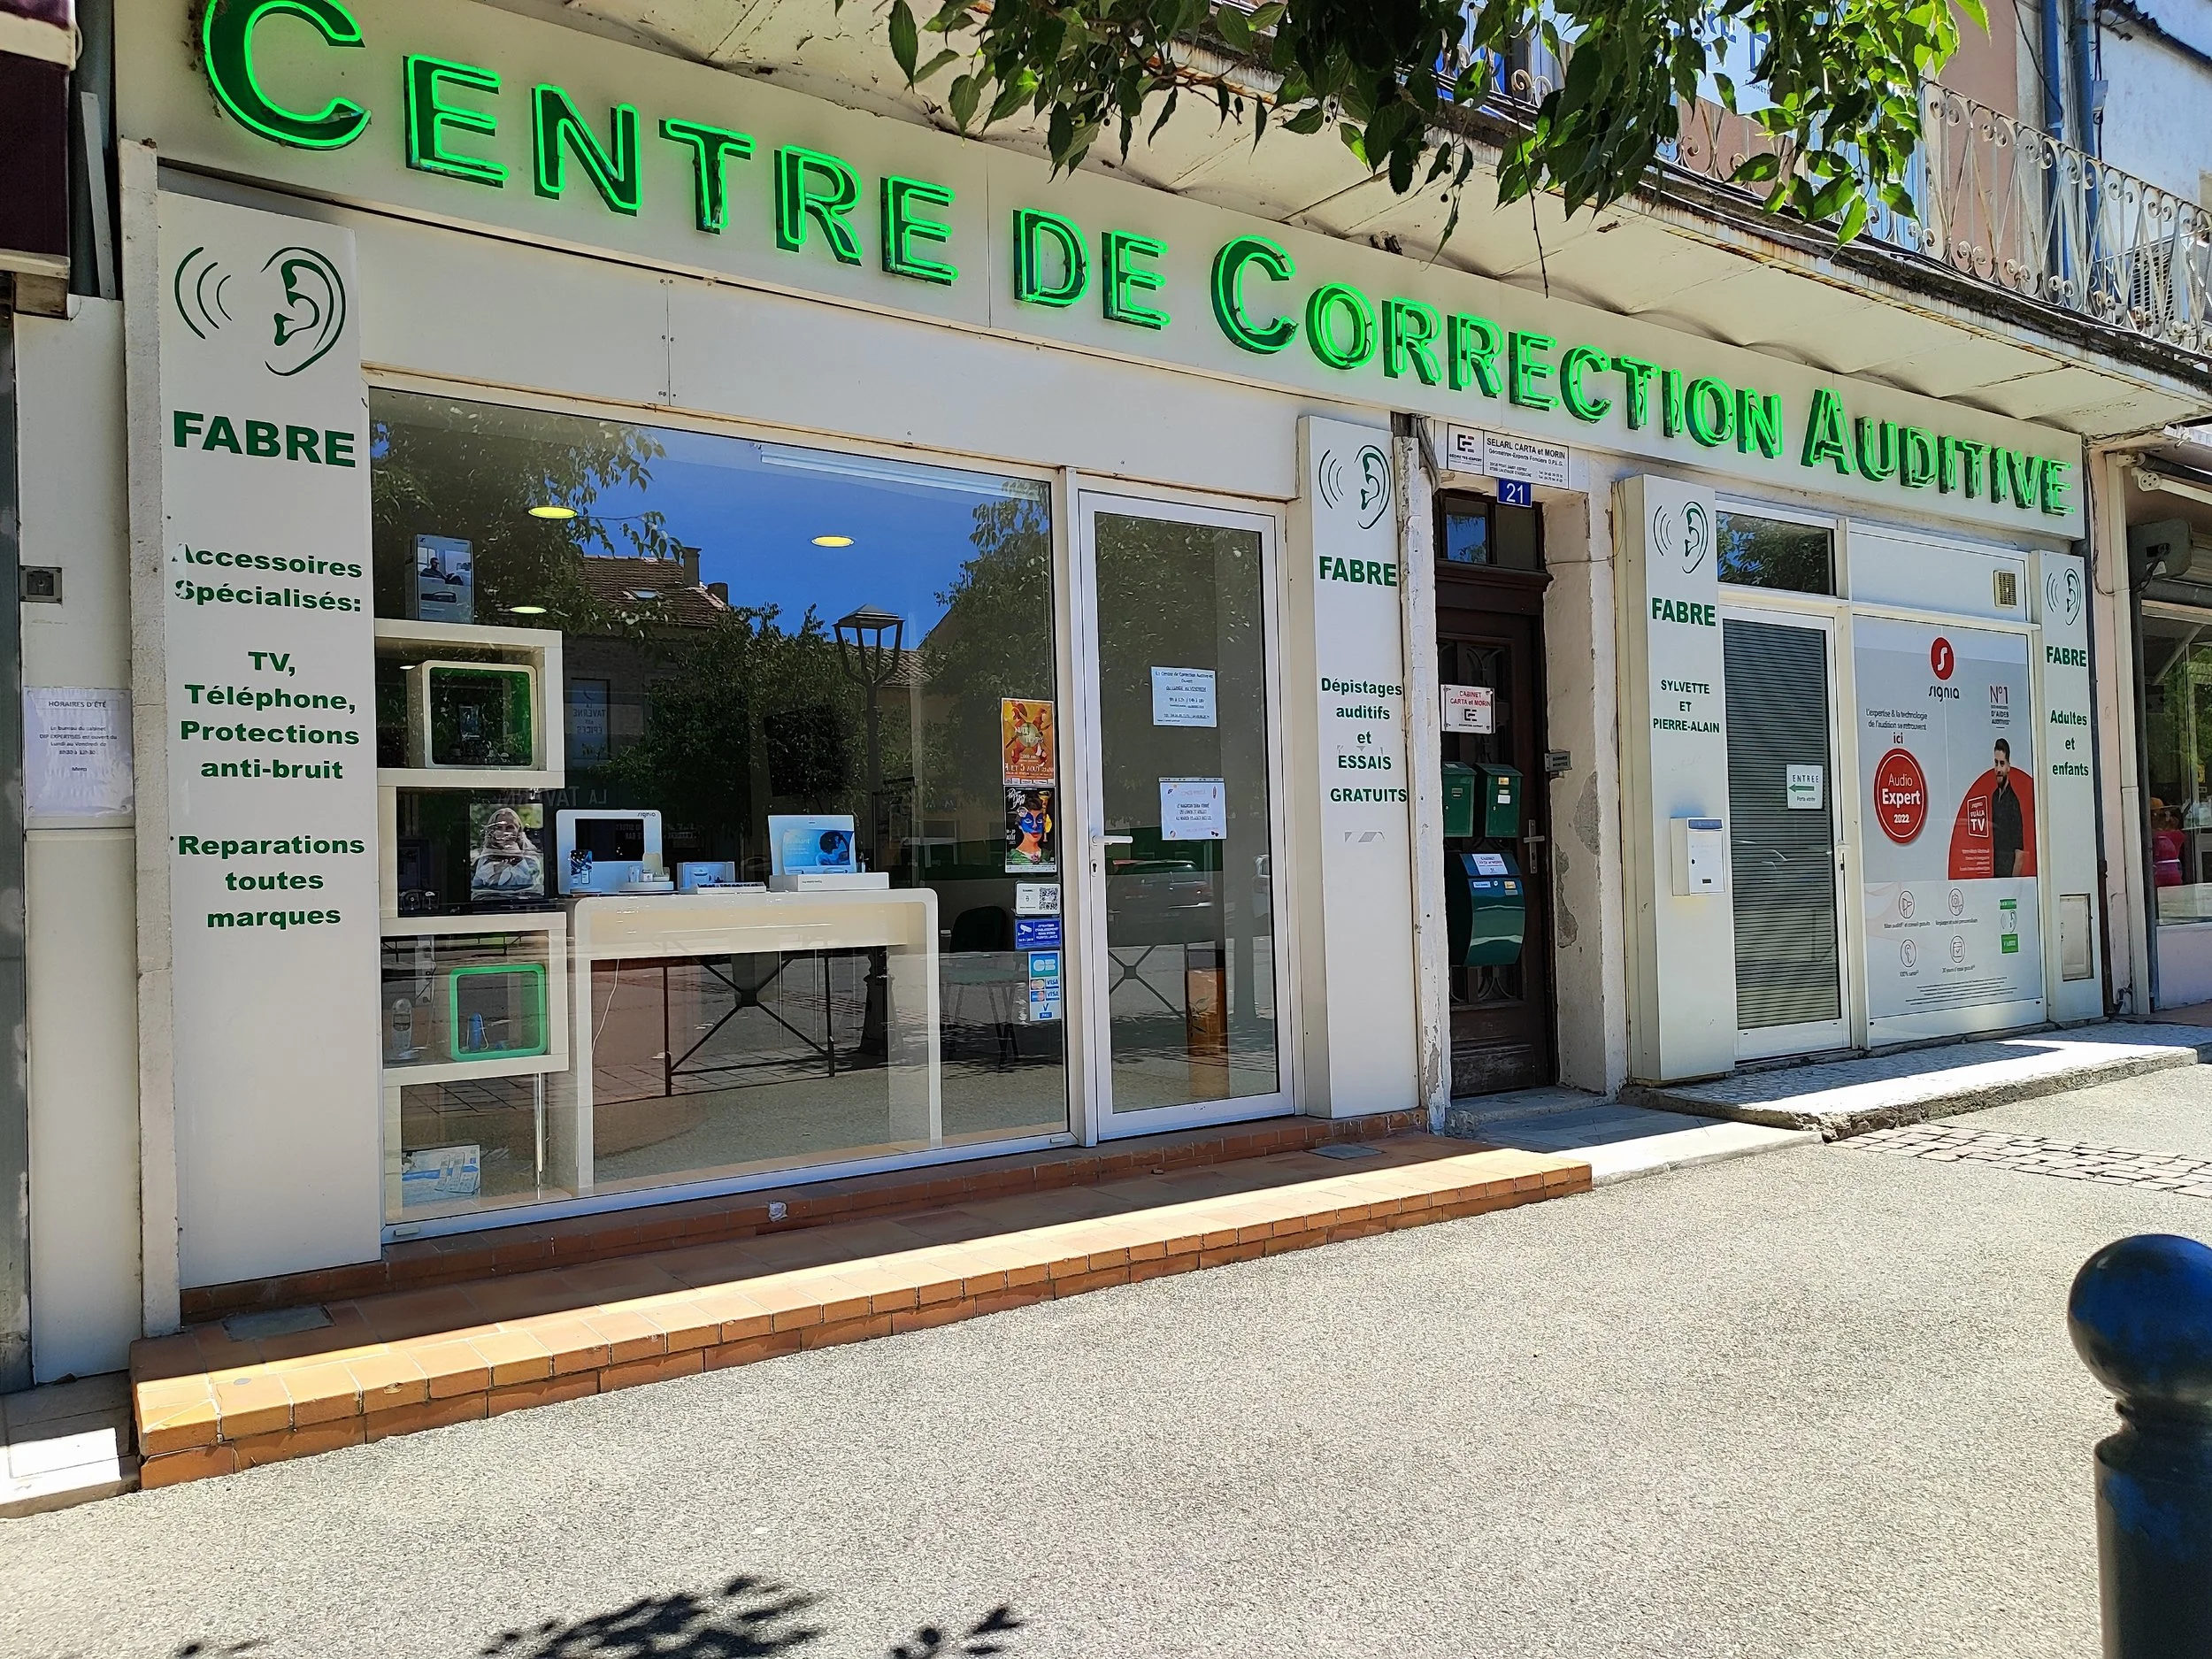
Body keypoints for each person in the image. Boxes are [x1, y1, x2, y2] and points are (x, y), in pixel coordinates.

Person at [470, 805, 545, 902]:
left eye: (510, 827)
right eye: (499, 828)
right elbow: (478, 886)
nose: (504, 832)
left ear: (518, 831)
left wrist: (518, 858)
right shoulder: (485, 856)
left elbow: (530, 884)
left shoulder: (531, 856)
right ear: (492, 832)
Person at [1990, 739, 2025, 879]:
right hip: (1997, 879)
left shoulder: (2013, 803)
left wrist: (2012, 886)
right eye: (1996, 763)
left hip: (2008, 881)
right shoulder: (1994, 797)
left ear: (2009, 767)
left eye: (2002, 764)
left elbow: (2020, 855)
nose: (1998, 769)